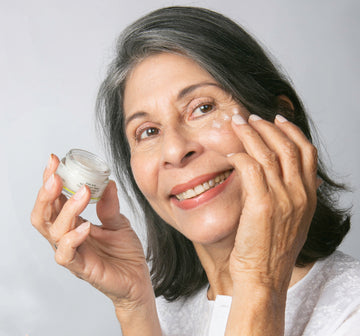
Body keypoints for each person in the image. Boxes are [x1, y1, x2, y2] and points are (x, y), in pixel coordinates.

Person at [31, 6, 360, 336]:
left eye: (203, 108)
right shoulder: (164, 317)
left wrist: (259, 278)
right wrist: (134, 307)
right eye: (148, 131)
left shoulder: (350, 309)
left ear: (281, 120)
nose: (174, 151)